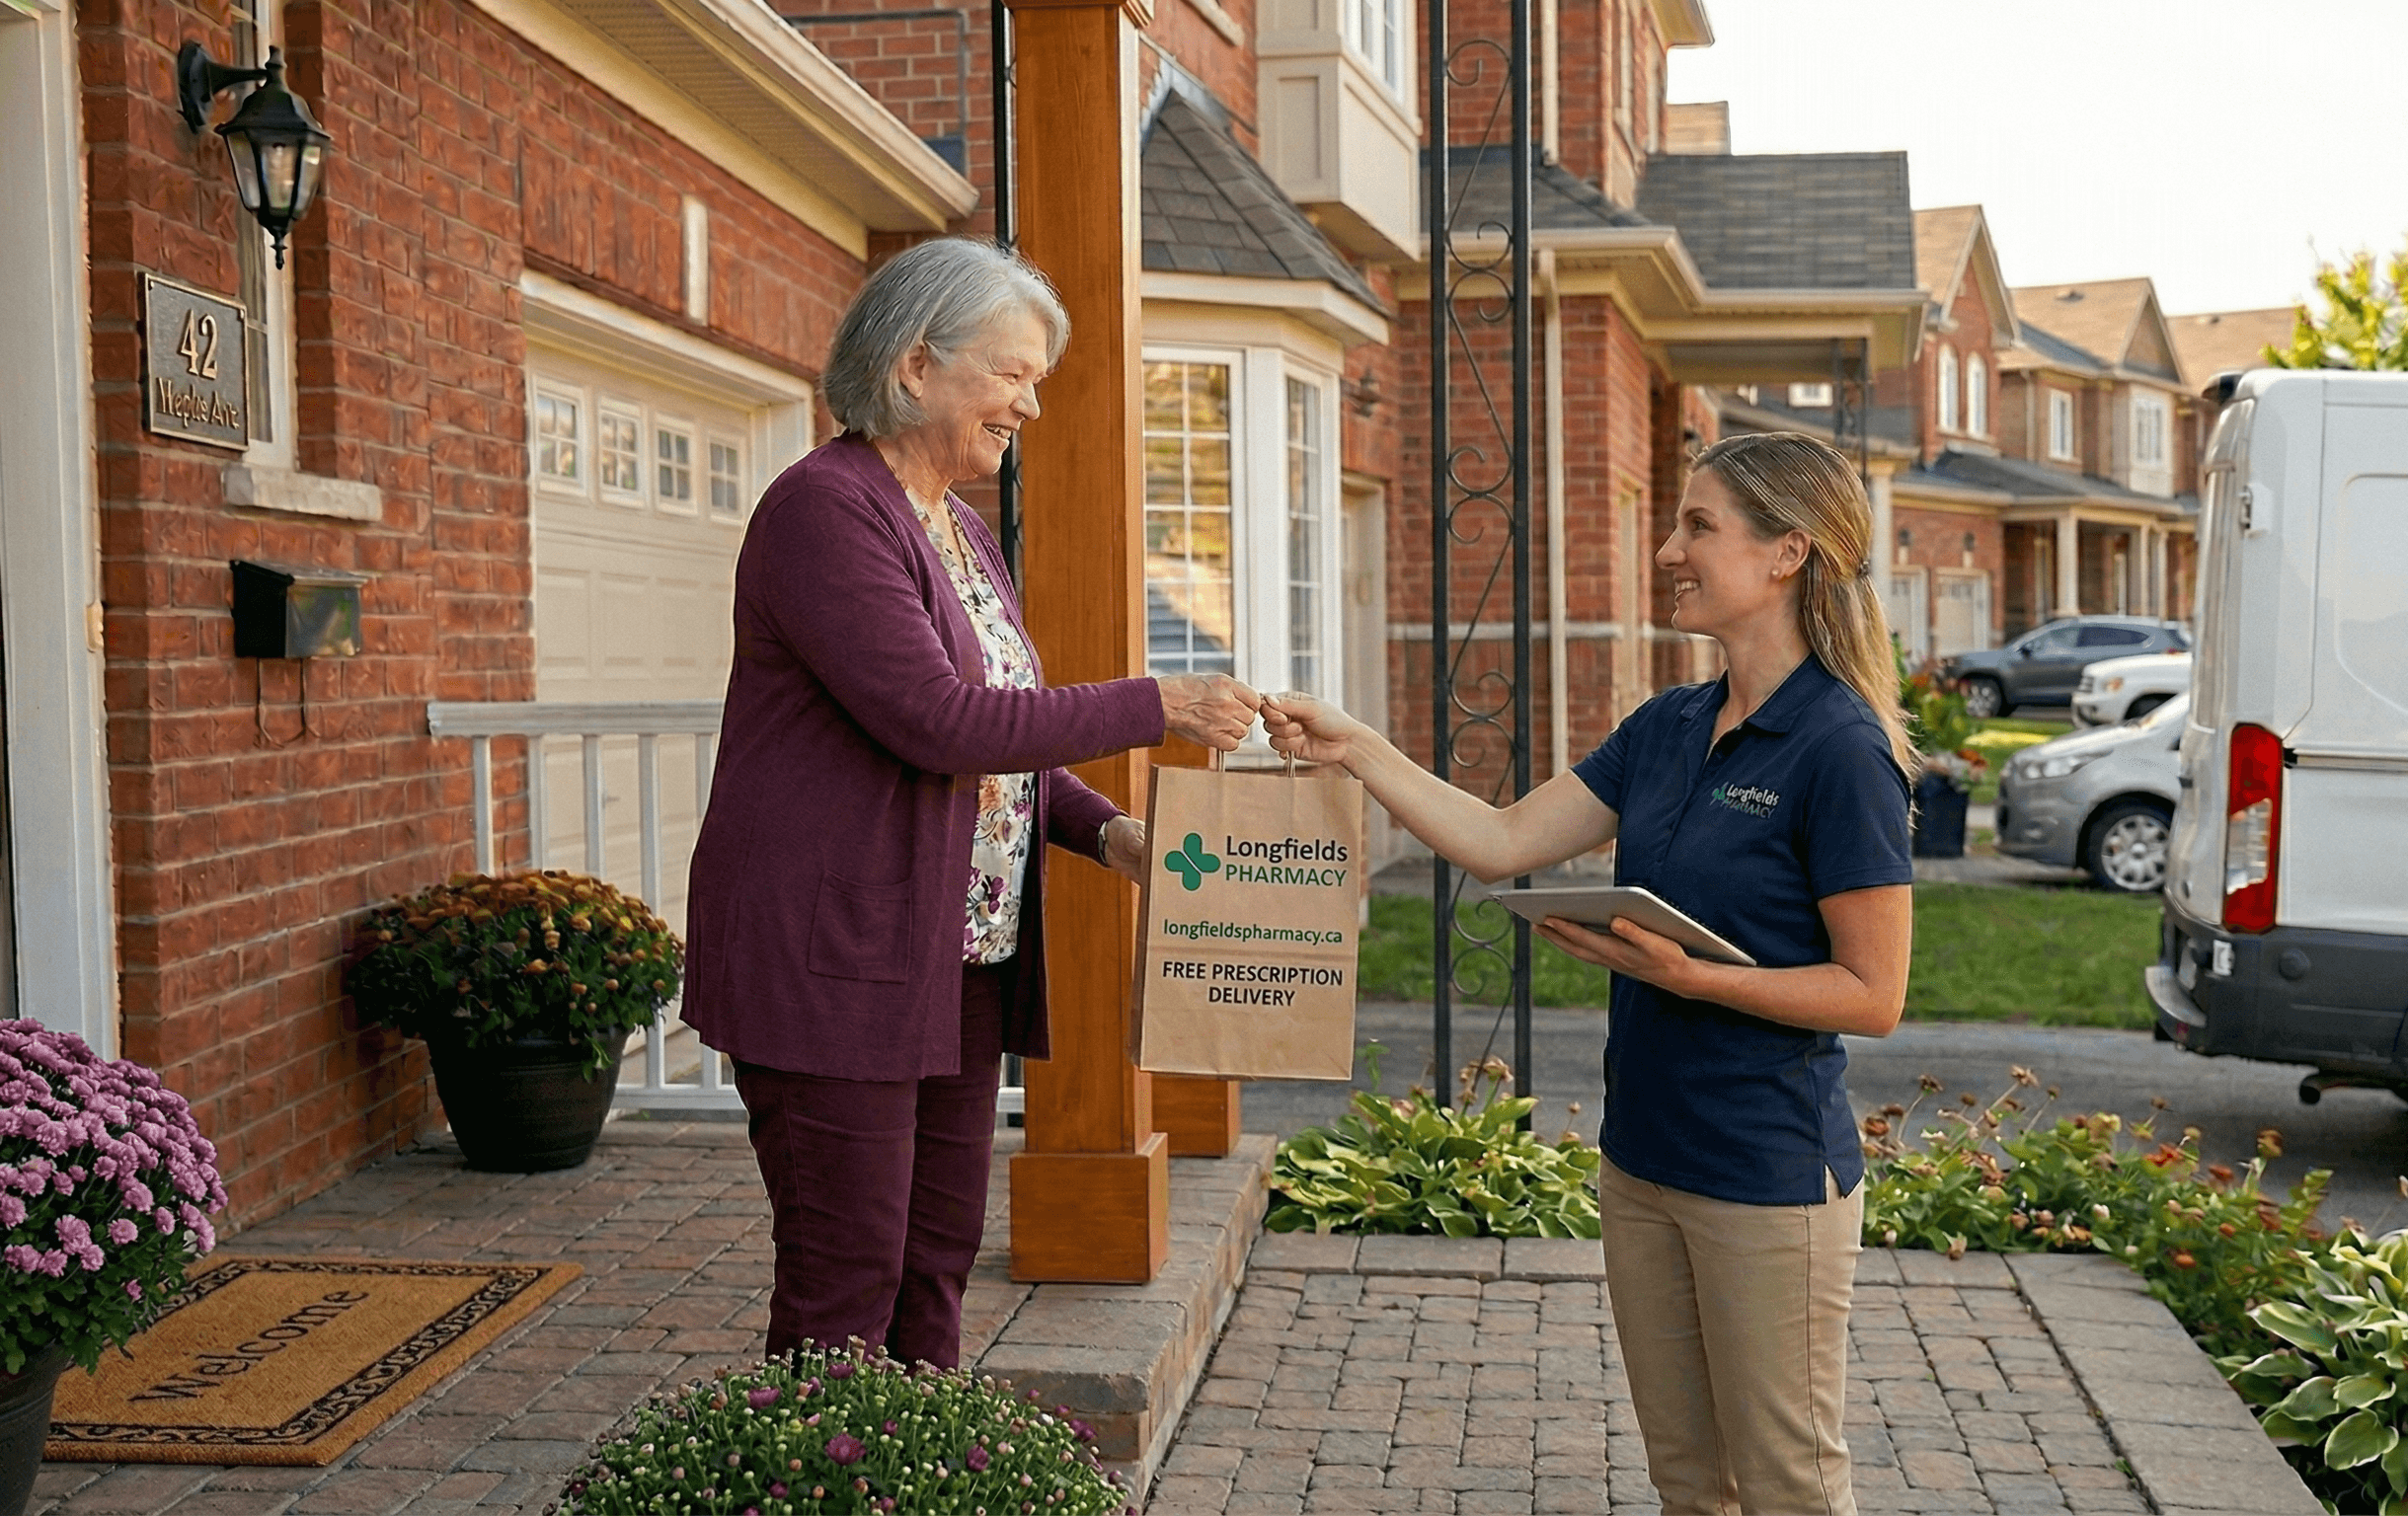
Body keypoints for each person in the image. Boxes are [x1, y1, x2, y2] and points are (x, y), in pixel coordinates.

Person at [1262, 431, 1915, 1515]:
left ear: (1789, 551)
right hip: (1642, 1163)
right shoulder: (1667, 727)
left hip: (1766, 1179)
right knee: (1688, 1484)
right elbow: (1502, 837)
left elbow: (1873, 996)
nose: (1668, 548)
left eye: (1698, 525)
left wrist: (1691, 976)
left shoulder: (1840, 748)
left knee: (1790, 1483)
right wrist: (1358, 749)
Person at [682, 236, 1260, 1368]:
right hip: (833, 962)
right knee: (847, 1275)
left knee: (934, 1255)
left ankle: (927, 1469)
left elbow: (1009, 752)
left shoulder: (960, 531)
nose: (1030, 406)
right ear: (912, 366)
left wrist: (1113, 833)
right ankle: (827, 1481)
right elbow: (939, 722)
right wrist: (1161, 703)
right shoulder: (825, 511)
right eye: (1009, 374)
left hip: (954, 965)